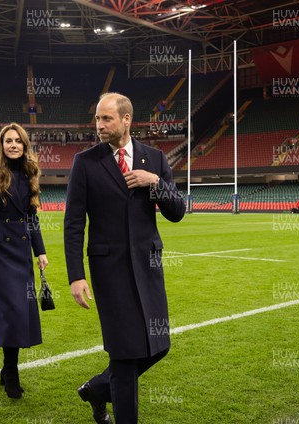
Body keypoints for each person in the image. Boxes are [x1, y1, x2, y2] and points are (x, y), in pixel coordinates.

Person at [64, 92, 185, 423]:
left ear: (127, 119)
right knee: (123, 354)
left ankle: (97, 390)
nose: (99, 125)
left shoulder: (155, 159)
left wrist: (155, 183)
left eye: (106, 119)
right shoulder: (85, 162)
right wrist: (76, 275)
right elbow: (73, 223)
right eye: (97, 119)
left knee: (159, 345)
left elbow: (177, 212)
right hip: (109, 272)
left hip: (148, 268)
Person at [0, 122, 48, 399]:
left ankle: (7, 366)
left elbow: (31, 218)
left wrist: (40, 251)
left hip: (22, 252)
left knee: (21, 310)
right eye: (8, 141)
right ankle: (12, 370)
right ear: (1, 146)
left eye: (18, 141)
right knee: (10, 310)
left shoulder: (29, 175)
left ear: (25, 145)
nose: (13, 145)